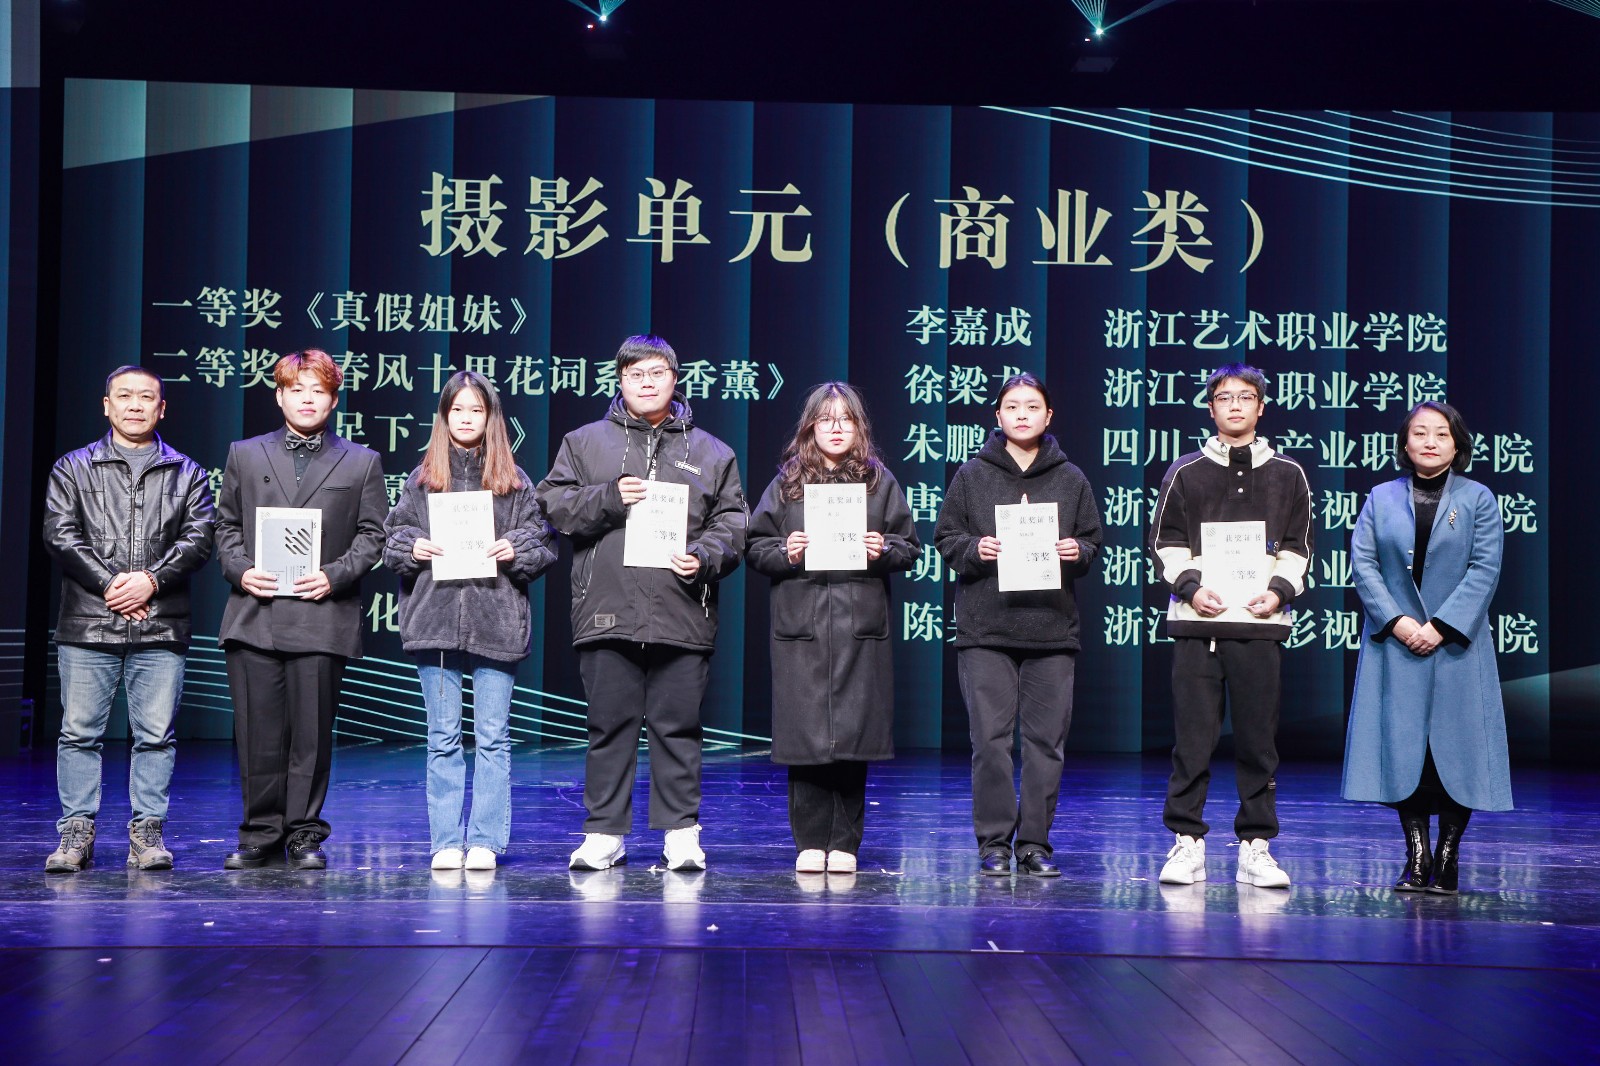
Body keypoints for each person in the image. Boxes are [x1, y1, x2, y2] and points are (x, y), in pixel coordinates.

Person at [537, 335, 747, 872]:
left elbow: (734, 524)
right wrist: (609, 497)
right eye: (635, 374)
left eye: (656, 373)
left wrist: (703, 556)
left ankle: (681, 833)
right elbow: (554, 504)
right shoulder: (584, 443)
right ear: (620, 380)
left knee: (678, 727)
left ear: (675, 379)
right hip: (606, 608)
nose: (647, 383)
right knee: (609, 726)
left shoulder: (712, 451)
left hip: (684, 607)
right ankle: (604, 833)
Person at [214, 348, 387, 870]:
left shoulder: (360, 461)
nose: (307, 399)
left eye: (318, 390)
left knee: (310, 736)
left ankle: (304, 834)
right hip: (255, 612)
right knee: (258, 735)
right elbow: (224, 526)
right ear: (279, 396)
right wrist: (240, 569)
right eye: (297, 389)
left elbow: (373, 534)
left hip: (321, 614)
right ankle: (258, 833)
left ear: (333, 400)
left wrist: (334, 575)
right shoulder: (245, 453)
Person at [41, 366, 215, 872]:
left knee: (156, 735)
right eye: (124, 396)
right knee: (79, 734)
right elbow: (60, 534)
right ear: (107, 405)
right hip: (87, 623)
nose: (135, 405)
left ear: (162, 408)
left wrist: (151, 582)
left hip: (160, 623)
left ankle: (147, 833)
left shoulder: (187, 472)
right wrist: (113, 585)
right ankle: (76, 833)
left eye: (146, 397)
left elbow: (199, 539)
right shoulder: (73, 467)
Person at [384, 371, 557, 872]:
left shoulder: (514, 481)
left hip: (496, 621)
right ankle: (445, 840)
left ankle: (484, 839)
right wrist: (412, 547)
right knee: (442, 738)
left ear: (490, 418)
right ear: (443, 417)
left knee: (492, 737)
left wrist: (515, 548)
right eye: (456, 409)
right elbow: (391, 540)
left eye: (475, 410)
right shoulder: (421, 480)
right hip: (434, 622)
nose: (465, 418)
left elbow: (543, 542)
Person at [933, 373, 1102, 877]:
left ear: (1048, 417)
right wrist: (976, 549)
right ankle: (993, 844)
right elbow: (946, 537)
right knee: (990, 742)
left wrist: (1077, 551)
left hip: (1051, 629)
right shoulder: (972, 475)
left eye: (1032, 406)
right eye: (1012, 406)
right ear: (998, 416)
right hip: (987, 629)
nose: (1022, 414)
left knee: (1046, 744)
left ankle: (1034, 844)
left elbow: (1092, 541)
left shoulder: (1070, 478)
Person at [1151, 363, 1312, 890]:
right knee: (1192, 742)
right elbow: (1165, 544)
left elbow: (1298, 547)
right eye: (1225, 397)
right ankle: (1187, 843)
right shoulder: (1185, 471)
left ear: (1261, 407)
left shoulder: (1288, 473)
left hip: (1260, 626)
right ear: (1211, 407)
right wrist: (1192, 588)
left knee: (1258, 744)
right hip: (1198, 626)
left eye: (1246, 397)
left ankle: (1256, 847)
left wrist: (1279, 592)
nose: (1236, 405)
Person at [746, 383, 919, 874]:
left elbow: (909, 546)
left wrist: (881, 548)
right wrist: (786, 550)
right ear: (810, 428)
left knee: (852, 738)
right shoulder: (787, 483)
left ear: (859, 427)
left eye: (846, 419)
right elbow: (755, 546)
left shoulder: (878, 481)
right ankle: (808, 840)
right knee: (805, 740)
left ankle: (844, 842)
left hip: (858, 625)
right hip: (801, 624)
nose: (836, 427)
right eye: (826, 419)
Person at [1342, 402, 1511, 894]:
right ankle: (1417, 857)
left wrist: (1441, 625)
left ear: (1457, 445)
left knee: (1458, 755)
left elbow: (1485, 568)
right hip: (1396, 645)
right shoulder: (1381, 497)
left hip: (1457, 646)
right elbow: (1364, 564)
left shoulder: (1478, 498)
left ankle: (1449, 855)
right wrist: (1397, 621)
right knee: (1405, 753)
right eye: (1420, 433)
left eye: (1441, 433)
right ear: (1405, 443)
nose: (1430, 441)